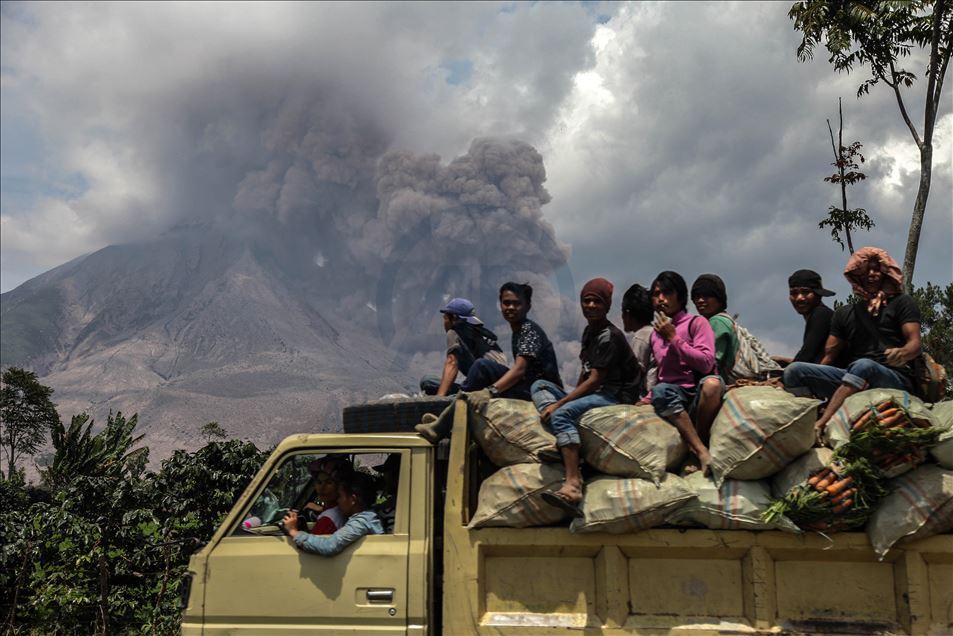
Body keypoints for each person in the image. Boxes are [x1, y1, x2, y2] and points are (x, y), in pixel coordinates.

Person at [783, 247, 922, 439]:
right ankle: (808, 417)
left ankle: (821, 424)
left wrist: (903, 353)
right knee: (795, 371)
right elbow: (829, 356)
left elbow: (915, 344)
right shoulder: (845, 313)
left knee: (864, 366)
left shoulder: (902, 303)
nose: (872, 274)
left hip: (894, 379)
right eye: (866, 270)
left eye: (877, 269)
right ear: (857, 275)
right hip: (854, 378)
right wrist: (811, 377)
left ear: (885, 273)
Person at [531, 277, 641, 515]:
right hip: (597, 390)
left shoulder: (609, 336)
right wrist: (569, 397)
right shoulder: (590, 332)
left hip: (616, 394)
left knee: (562, 414)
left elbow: (596, 379)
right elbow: (586, 371)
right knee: (540, 385)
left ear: (607, 306)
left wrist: (561, 405)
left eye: (596, 302)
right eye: (586, 301)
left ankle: (572, 483)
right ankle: (565, 440)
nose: (590, 306)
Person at [414, 283, 563, 443]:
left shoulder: (528, 330)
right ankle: (451, 411)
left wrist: (490, 391)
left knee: (480, 366)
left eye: (517, 303)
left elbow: (519, 370)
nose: (511, 307)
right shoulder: (499, 333)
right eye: (506, 303)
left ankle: (442, 424)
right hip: (507, 385)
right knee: (429, 382)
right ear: (500, 305)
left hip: (537, 391)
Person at [647, 271, 718, 475]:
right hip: (673, 396)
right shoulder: (654, 335)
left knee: (712, 385)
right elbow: (663, 376)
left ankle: (700, 447)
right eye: (656, 294)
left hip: (697, 394)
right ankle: (698, 449)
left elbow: (706, 363)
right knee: (661, 391)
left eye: (667, 293)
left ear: (680, 296)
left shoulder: (696, 323)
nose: (661, 299)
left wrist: (673, 337)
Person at [419, 298, 508, 396]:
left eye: (445, 318)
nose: (444, 323)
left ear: (454, 318)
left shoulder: (454, 332)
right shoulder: (481, 333)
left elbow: (451, 363)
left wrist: (439, 398)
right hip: (501, 387)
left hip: (483, 391)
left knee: (427, 382)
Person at [281, 472, 383, 556]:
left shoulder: (361, 522)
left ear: (352, 500)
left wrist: (294, 532)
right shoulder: (369, 515)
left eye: (339, 496)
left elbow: (329, 546)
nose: (337, 501)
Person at [772, 269, 835, 366]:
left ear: (818, 294)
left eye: (805, 292)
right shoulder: (817, 315)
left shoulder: (821, 314)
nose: (799, 298)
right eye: (794, 293)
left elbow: (807, 355)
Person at [621, 283, 657, 398]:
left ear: (627, 313)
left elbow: (635, 374)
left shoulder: (641, 336)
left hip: (646, 394)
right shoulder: (654, 332)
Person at [302, 457, 351, 535]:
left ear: (340, 486)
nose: (322, 487)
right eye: (319, 482)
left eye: (329, 482)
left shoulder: (328, 520)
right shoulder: (344, 510)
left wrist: (292, 530)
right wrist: (321, 509)